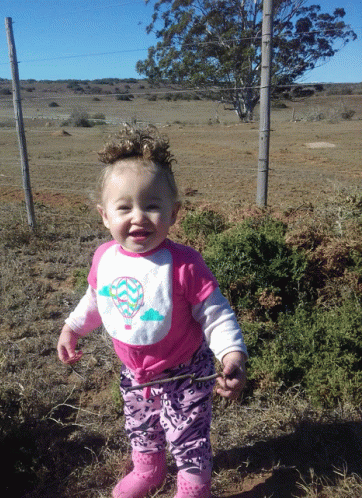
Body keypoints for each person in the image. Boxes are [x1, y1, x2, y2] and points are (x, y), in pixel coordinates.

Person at [57, 126, 247, 498]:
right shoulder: (105, 258)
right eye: (124, 207)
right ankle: (149, 469)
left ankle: (194, 488)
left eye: (153, 206)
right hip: (135, 373)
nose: (139, 217)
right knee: (141, 425)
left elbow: (216, 313)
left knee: (187, 435)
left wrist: (232, 353)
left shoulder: (183, 264)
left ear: (174, 213)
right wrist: (72, 328)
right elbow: (97, 299)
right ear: (104, 215)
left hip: (186, 372)